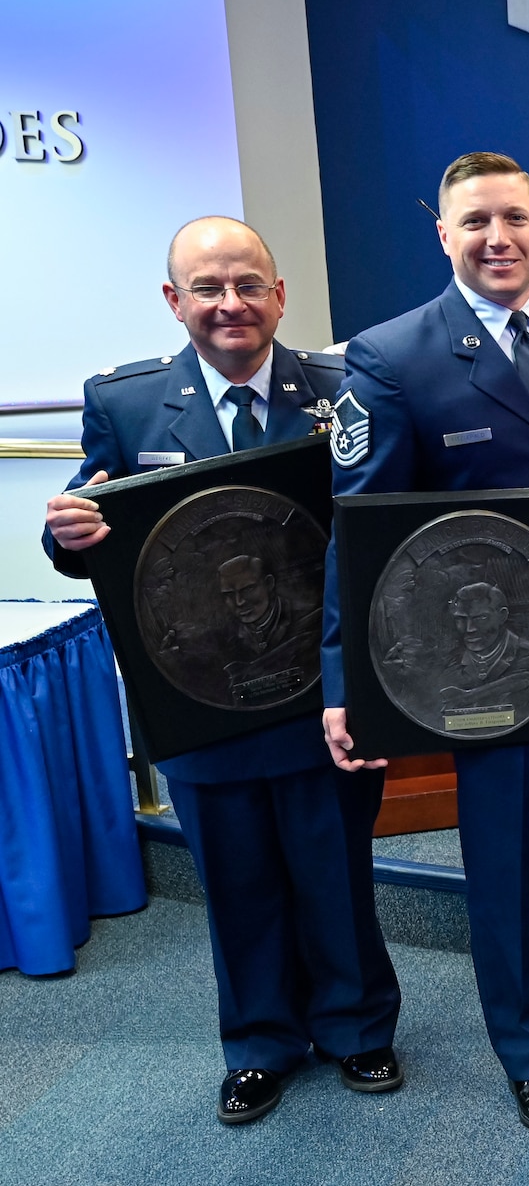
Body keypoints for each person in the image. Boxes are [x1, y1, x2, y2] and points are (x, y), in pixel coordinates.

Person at [320, 153, 529, 1141]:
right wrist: (347, 675)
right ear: (442, 232)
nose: (499, 237)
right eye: (476, 221)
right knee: (503, 851)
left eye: (515, 217)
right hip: (487, 660)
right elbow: (362, 528)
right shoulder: (390, 356)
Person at [44, 216, 400, 1126]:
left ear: (281, 295)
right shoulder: (125, 407)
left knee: (335, 869)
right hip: (197, 701)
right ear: (175, 302)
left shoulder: (342, 390)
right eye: (208, 288)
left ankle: (358, 1028)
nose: (231, 303)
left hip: (319, 695)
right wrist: (65, 536)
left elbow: (376, 525)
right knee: (237, 879)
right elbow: (95, 536)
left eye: (249, 284)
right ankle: (260, 1043)